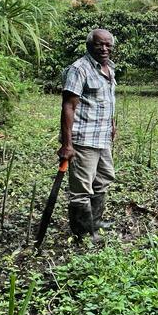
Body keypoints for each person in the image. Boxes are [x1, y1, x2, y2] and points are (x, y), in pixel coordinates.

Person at [59, 28, 117, 240]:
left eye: (108, 44)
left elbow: (106, 101)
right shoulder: (79, 69)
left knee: (103, 179)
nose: (104, 48)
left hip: (102, 137)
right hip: (83, 139)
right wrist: (67, 144)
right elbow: (68, 107)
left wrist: (112, 125)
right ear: (89, 45)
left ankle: (95, 221)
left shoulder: (109, 68)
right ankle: (83, 233)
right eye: (99, 44)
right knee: (82, 188)